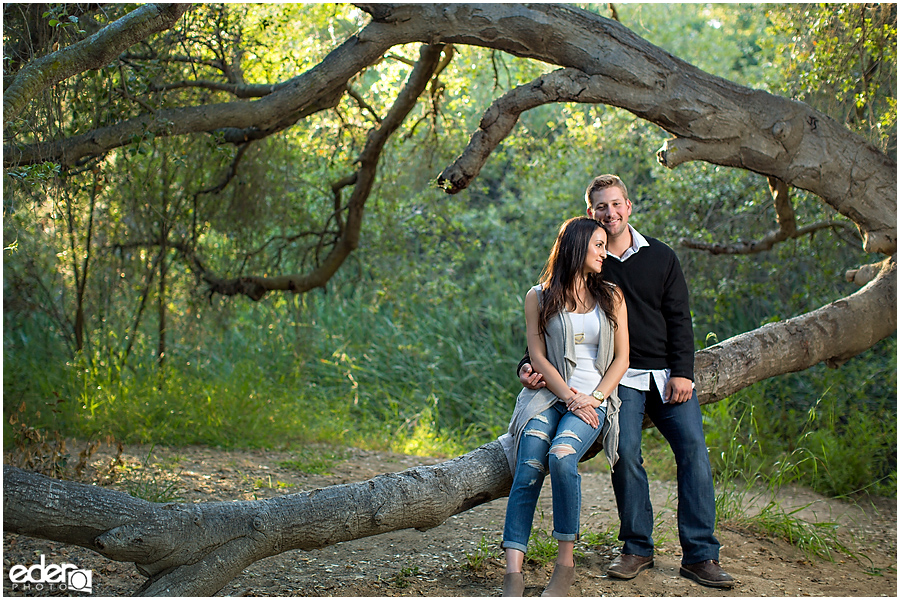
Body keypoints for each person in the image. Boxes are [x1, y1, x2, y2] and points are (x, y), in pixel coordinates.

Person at [518, 175, 735, 589]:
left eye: (616, 204)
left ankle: (701, 555)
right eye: (601, 207)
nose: (609, 213)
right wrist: (525, 366)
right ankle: (637, 547)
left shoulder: (661, 257)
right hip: (618, 379)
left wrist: (683, 372)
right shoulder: (590, 257)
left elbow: (679, 318)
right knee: (626, 452)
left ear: (629, 206)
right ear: (590, 213)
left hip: (665, 373)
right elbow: (557, 323)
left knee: (693, 450)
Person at [498, 216, 629, 597]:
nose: (605, 252)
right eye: (599, 245)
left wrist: (596, 398)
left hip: (593, 400)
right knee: (528, 467)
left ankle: (565, 565)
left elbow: (622, 360)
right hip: (548, 398)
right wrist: (568, 396)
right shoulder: (537, 296)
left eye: (606, 245)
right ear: (577, 247)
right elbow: (537, 356)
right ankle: (513, 574)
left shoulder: (612, 296)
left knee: (562, 456)